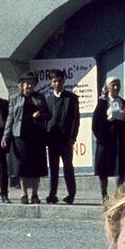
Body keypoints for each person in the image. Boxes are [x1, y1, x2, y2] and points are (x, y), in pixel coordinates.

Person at [2, 71, 49, 205]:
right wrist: (5, 136)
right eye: (26, 83)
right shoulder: (15, 98)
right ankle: (24, 194)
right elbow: (10, 118)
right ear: (21, 85)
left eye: (32, 83)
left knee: (36, 166)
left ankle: (34, 194)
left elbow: (48, 115)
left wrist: (40, 115)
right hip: (20, 136)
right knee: (21, 166)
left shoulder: (40, 97)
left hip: (36, 136)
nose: (29, 85)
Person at [45, 69, 80, 205]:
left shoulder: (71, 98)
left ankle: (71, 194)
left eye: (60, 80)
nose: (57, 83)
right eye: (54, 81)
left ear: (64, 81)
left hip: (66, 139)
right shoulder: (48, 99)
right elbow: (45, 120)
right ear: (51, 83)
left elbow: (75, 120)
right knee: (53, 168)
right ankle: (52, 195)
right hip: (52, 139)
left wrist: (73, 137)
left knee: (68, 167)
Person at [92, 77, 125, 202]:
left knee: (119, 167)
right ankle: (104, 194)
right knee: (103, 167)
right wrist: (101, 138)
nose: (116, 88)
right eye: (113, 85)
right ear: (107, 87)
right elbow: (95, 123)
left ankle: (119, 194)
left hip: (119, 138)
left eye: (118, 85)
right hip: (105, 138)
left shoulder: (124, 102)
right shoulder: (102, 102)